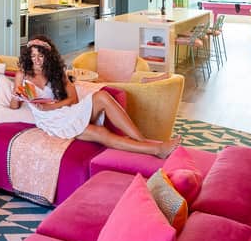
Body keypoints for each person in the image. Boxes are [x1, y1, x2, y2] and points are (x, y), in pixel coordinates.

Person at [11, 36, 180, 158]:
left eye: (41, 56)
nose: (37, 61)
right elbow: (14, 106)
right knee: (100, 132)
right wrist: (16, 96)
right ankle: (156, 150)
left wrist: (52, 105)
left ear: (48, 57)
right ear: (28, 57)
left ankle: (143, 140)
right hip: (51, 121)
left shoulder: (56, 72)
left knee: (102, 96)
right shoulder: (22, 75)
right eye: (33, 57)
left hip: (64, 111)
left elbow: (74, 100)